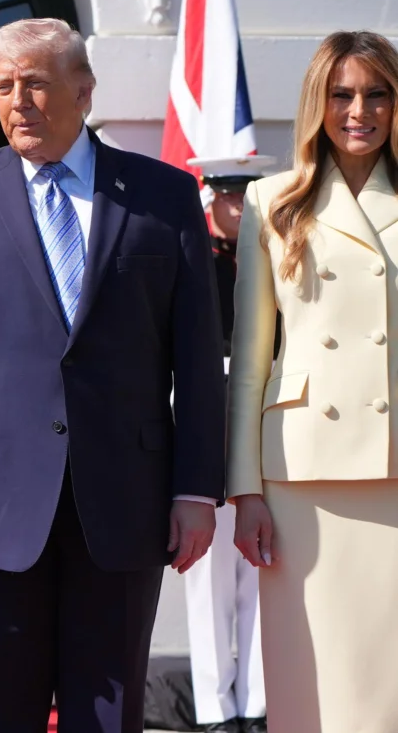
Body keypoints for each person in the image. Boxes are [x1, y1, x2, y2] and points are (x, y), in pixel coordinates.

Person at [0, 18, 226, 733]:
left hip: (125, 497)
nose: (18, 101)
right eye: (3, 87)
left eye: (36, 83)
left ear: (84, 90)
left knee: (108, 715)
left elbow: (198, 355)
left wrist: (197, 489)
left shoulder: (163, 194)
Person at [228, 30, 398, 733]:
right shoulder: (271, 201)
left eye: (378, 94)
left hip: (394, 464)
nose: (360, 111)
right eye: (341, 95)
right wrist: (245, 490)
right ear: (316, 104)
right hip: (302, 476)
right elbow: (251, 363)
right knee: (312, 682)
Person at [183, 156, 274, 733]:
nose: (238, 208)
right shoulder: (193, 260)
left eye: (246, 197)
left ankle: (260, 705)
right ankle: (217, 709)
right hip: (206, 413)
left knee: (265, 569)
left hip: (267, 416)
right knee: (210, 572)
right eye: (227, 197)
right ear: (210, 201)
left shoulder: (276, 258)